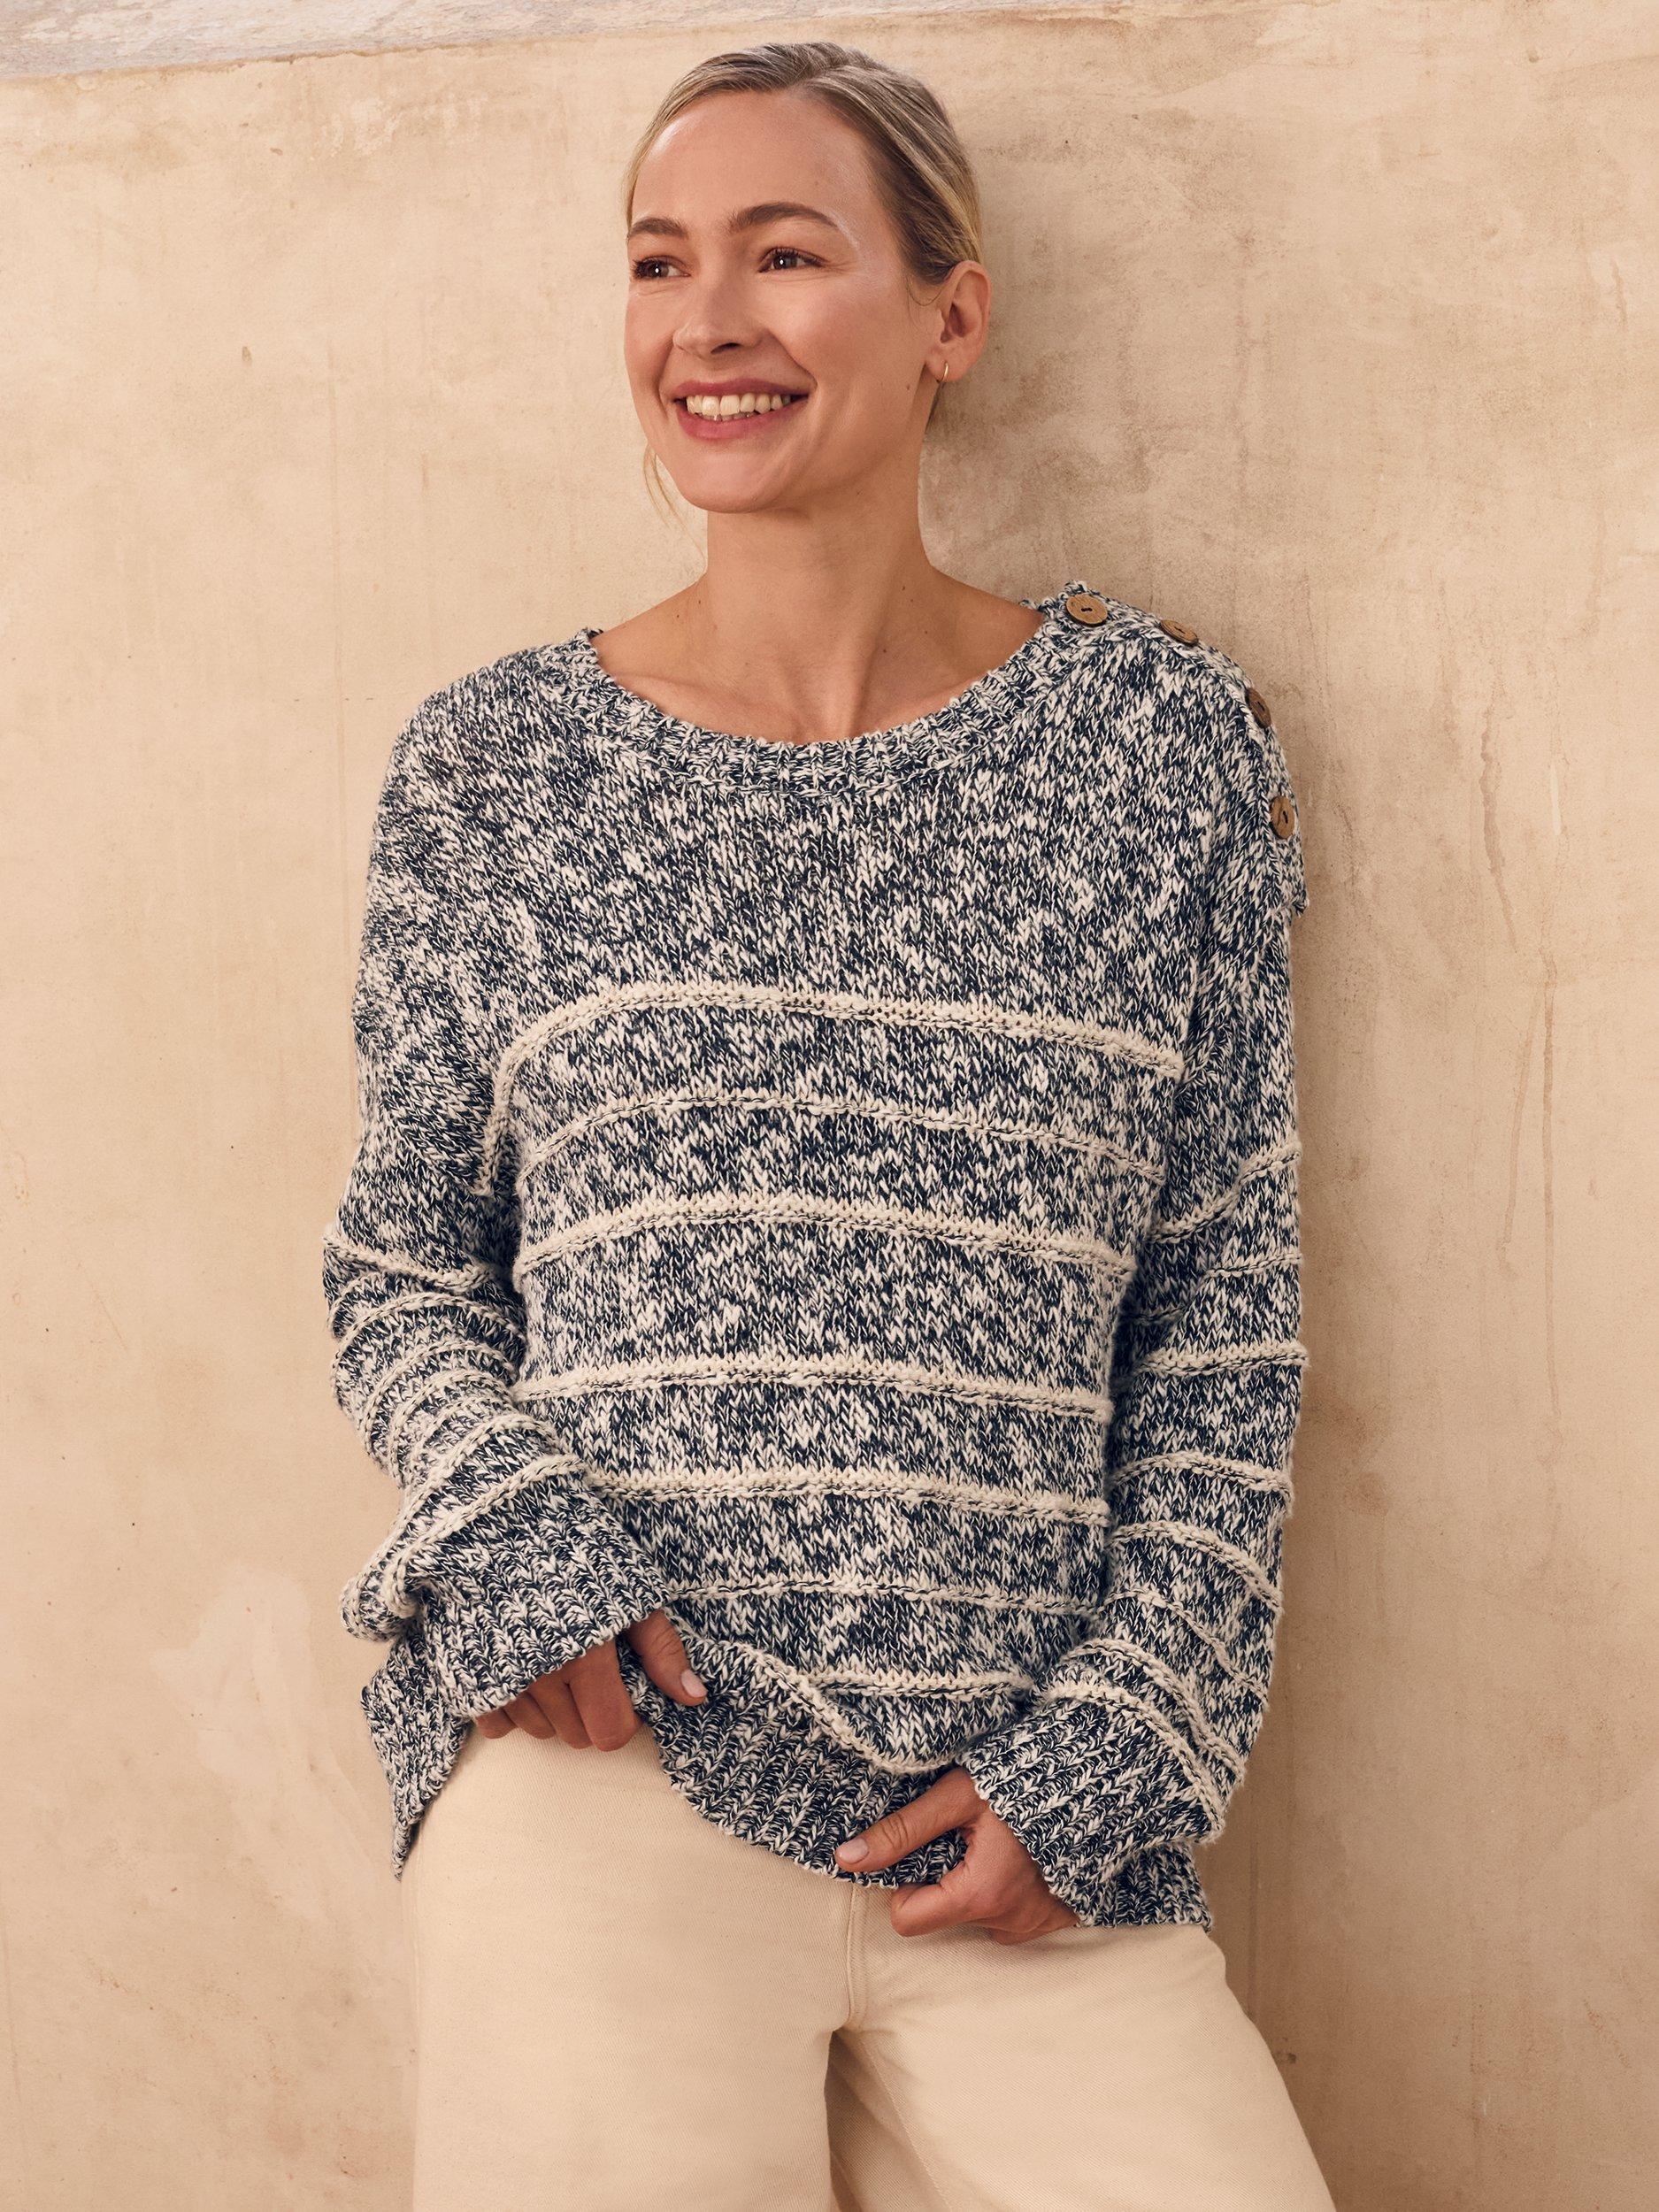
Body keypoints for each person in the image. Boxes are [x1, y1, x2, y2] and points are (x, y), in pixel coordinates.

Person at [321, 36, 1334, 2212]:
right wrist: (514, 1536)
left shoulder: (1155, 751)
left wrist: (1125, 1735)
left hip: (1023, 1823)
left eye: (785, 256)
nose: (708, 322)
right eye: (656, 261)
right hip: (603, 1775)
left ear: (948, 314)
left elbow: (1218, 1310)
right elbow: (402, 1263)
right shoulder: (493, 768)